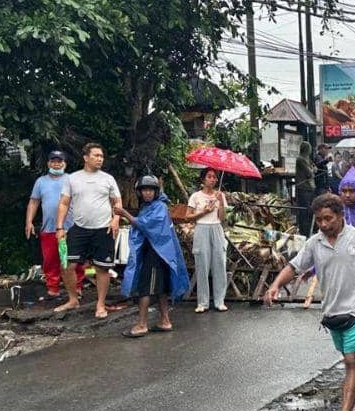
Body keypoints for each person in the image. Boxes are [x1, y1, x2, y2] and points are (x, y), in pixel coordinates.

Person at [264, 194, 355, 411]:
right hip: (332, 313)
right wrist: (275, 285)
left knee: (351, 361)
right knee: (353, 359)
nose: (323, 224)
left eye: (328, 219)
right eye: (319, 220)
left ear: (341, 215)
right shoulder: (315, 243)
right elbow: (294, 266)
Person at [116, 176, 190, 338]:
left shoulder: (159, 207)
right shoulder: (151, 206)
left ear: (156, 192)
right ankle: (165, 320)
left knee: (145, 289)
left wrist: (125, 214)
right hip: (157, 253)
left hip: (156, 254)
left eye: (150, 190)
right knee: (160, 289)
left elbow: (145, 225)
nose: (147, 193)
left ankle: (142, 324)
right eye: (144, 190)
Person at [54, 143, 121, 318]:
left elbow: (117, 203)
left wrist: (115, 220)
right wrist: (60, 227)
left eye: (101, 156)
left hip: (103, 229)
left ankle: (100, 305)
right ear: (86, 157)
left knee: (102, 268)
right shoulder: (73, 178)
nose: (100, 159)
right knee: (67, 265)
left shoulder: (108, 179)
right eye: (96, 155)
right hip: (79, 228)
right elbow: (63, 203)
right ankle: (72, 299)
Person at [25, 150, 85, 299]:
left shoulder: (72, 180)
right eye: (53, 161)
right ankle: (53, 287)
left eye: (59, 161)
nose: (56, 164)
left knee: (75, 259)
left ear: (64, 163)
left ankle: (77, 286)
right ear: (48, 163)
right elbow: (34, 201)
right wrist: (29, 222)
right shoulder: (41, 181)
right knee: (50, 259)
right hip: (49, 227)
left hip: (71, 227)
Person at [188, 168, 228, 313]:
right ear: (203, 179)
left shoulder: (220, 195)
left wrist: (221, 203)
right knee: (202, 265)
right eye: (209, 177)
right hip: (202, 228)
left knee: (219, 263)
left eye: (214, 177)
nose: (212, 179)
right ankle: (202, 302)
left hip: (216, 228)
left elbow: (222, 218)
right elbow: (188, 216)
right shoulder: (196, 196)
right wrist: (204, 211)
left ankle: (219, 300)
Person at [295, 141, 316, 235]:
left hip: (310, 188)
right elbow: (309, 173)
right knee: (304, 211)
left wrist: (313, 169)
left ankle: (308, 231)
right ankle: (304, 231)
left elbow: (313, 167)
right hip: (303, 188)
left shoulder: (308, 159)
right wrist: (313, 170)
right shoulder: (300, 159)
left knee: (310, 211)